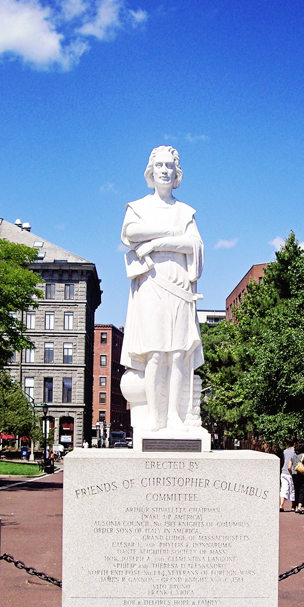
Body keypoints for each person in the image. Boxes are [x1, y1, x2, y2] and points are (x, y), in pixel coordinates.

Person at [119, 145, 205, 433]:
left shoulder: (185, 211)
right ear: (151, 171)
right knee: (156, 353)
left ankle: (174, 417)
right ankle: (156, 418)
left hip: (180, 285)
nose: (165, 171)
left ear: (176, 172)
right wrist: (171, 234)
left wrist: (155, 243)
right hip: (152, 284)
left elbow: (194, 245)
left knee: (179, 354)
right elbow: (131, 234)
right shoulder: (138, 207)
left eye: (170, 166)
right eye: (160, 166)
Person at [280, 442, 296, 512]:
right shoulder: (295, 451)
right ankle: (293, 506)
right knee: (292, 489)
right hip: (291, 472)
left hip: (284, 471)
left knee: (284, 489)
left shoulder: (285, 451)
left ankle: (281, 505)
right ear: (294, 443)